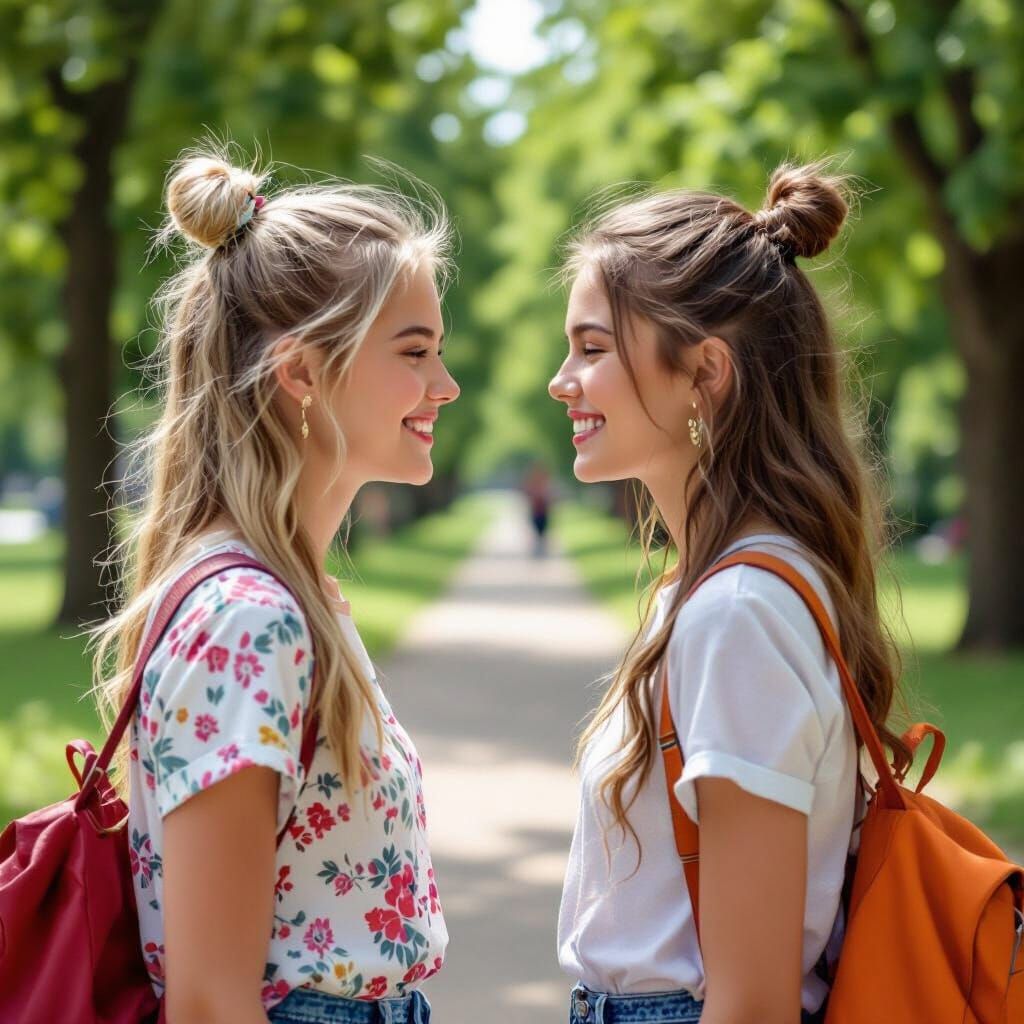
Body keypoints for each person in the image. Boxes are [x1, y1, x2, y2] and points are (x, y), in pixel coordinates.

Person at [87, 147, 459, 1024]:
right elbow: (214, 1002)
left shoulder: (292, 598)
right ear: (300, 373)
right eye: (415, 352)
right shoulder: (248, 619)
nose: (443, 385)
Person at [548, 163, 912, 1024]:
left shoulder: (740, 609)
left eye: (593, 348)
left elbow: (750, 1003)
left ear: (706, 374)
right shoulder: (713, 588)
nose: (563, 379)